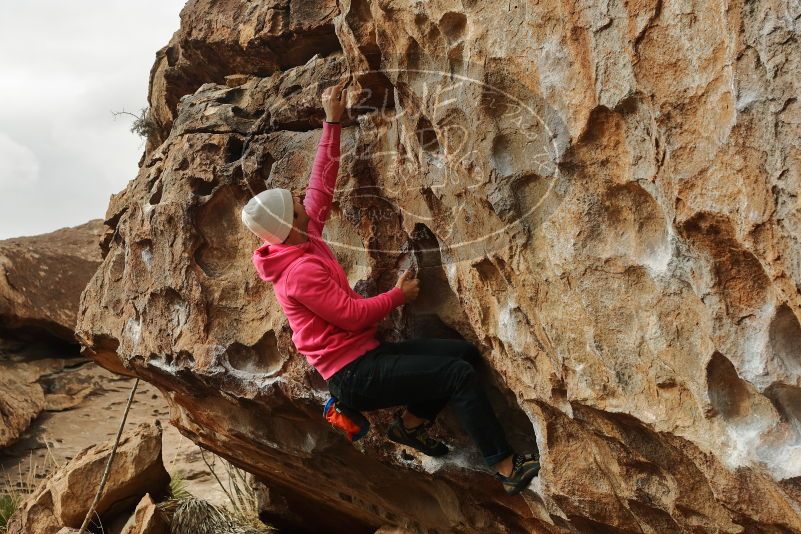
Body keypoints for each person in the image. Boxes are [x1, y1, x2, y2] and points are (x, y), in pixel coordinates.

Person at [241, 78, 540, 495]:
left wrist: (333, 122)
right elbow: (350, 316)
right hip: (353, 374)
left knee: (464, 354)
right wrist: (398, 295)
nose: (301, 201)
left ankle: (411, 426)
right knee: (456, 375)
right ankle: (506, 466)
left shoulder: (301, 240)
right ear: (288, 224)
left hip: (365, 356)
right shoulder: (298, 272)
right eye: (294, 205)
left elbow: (320, 186)